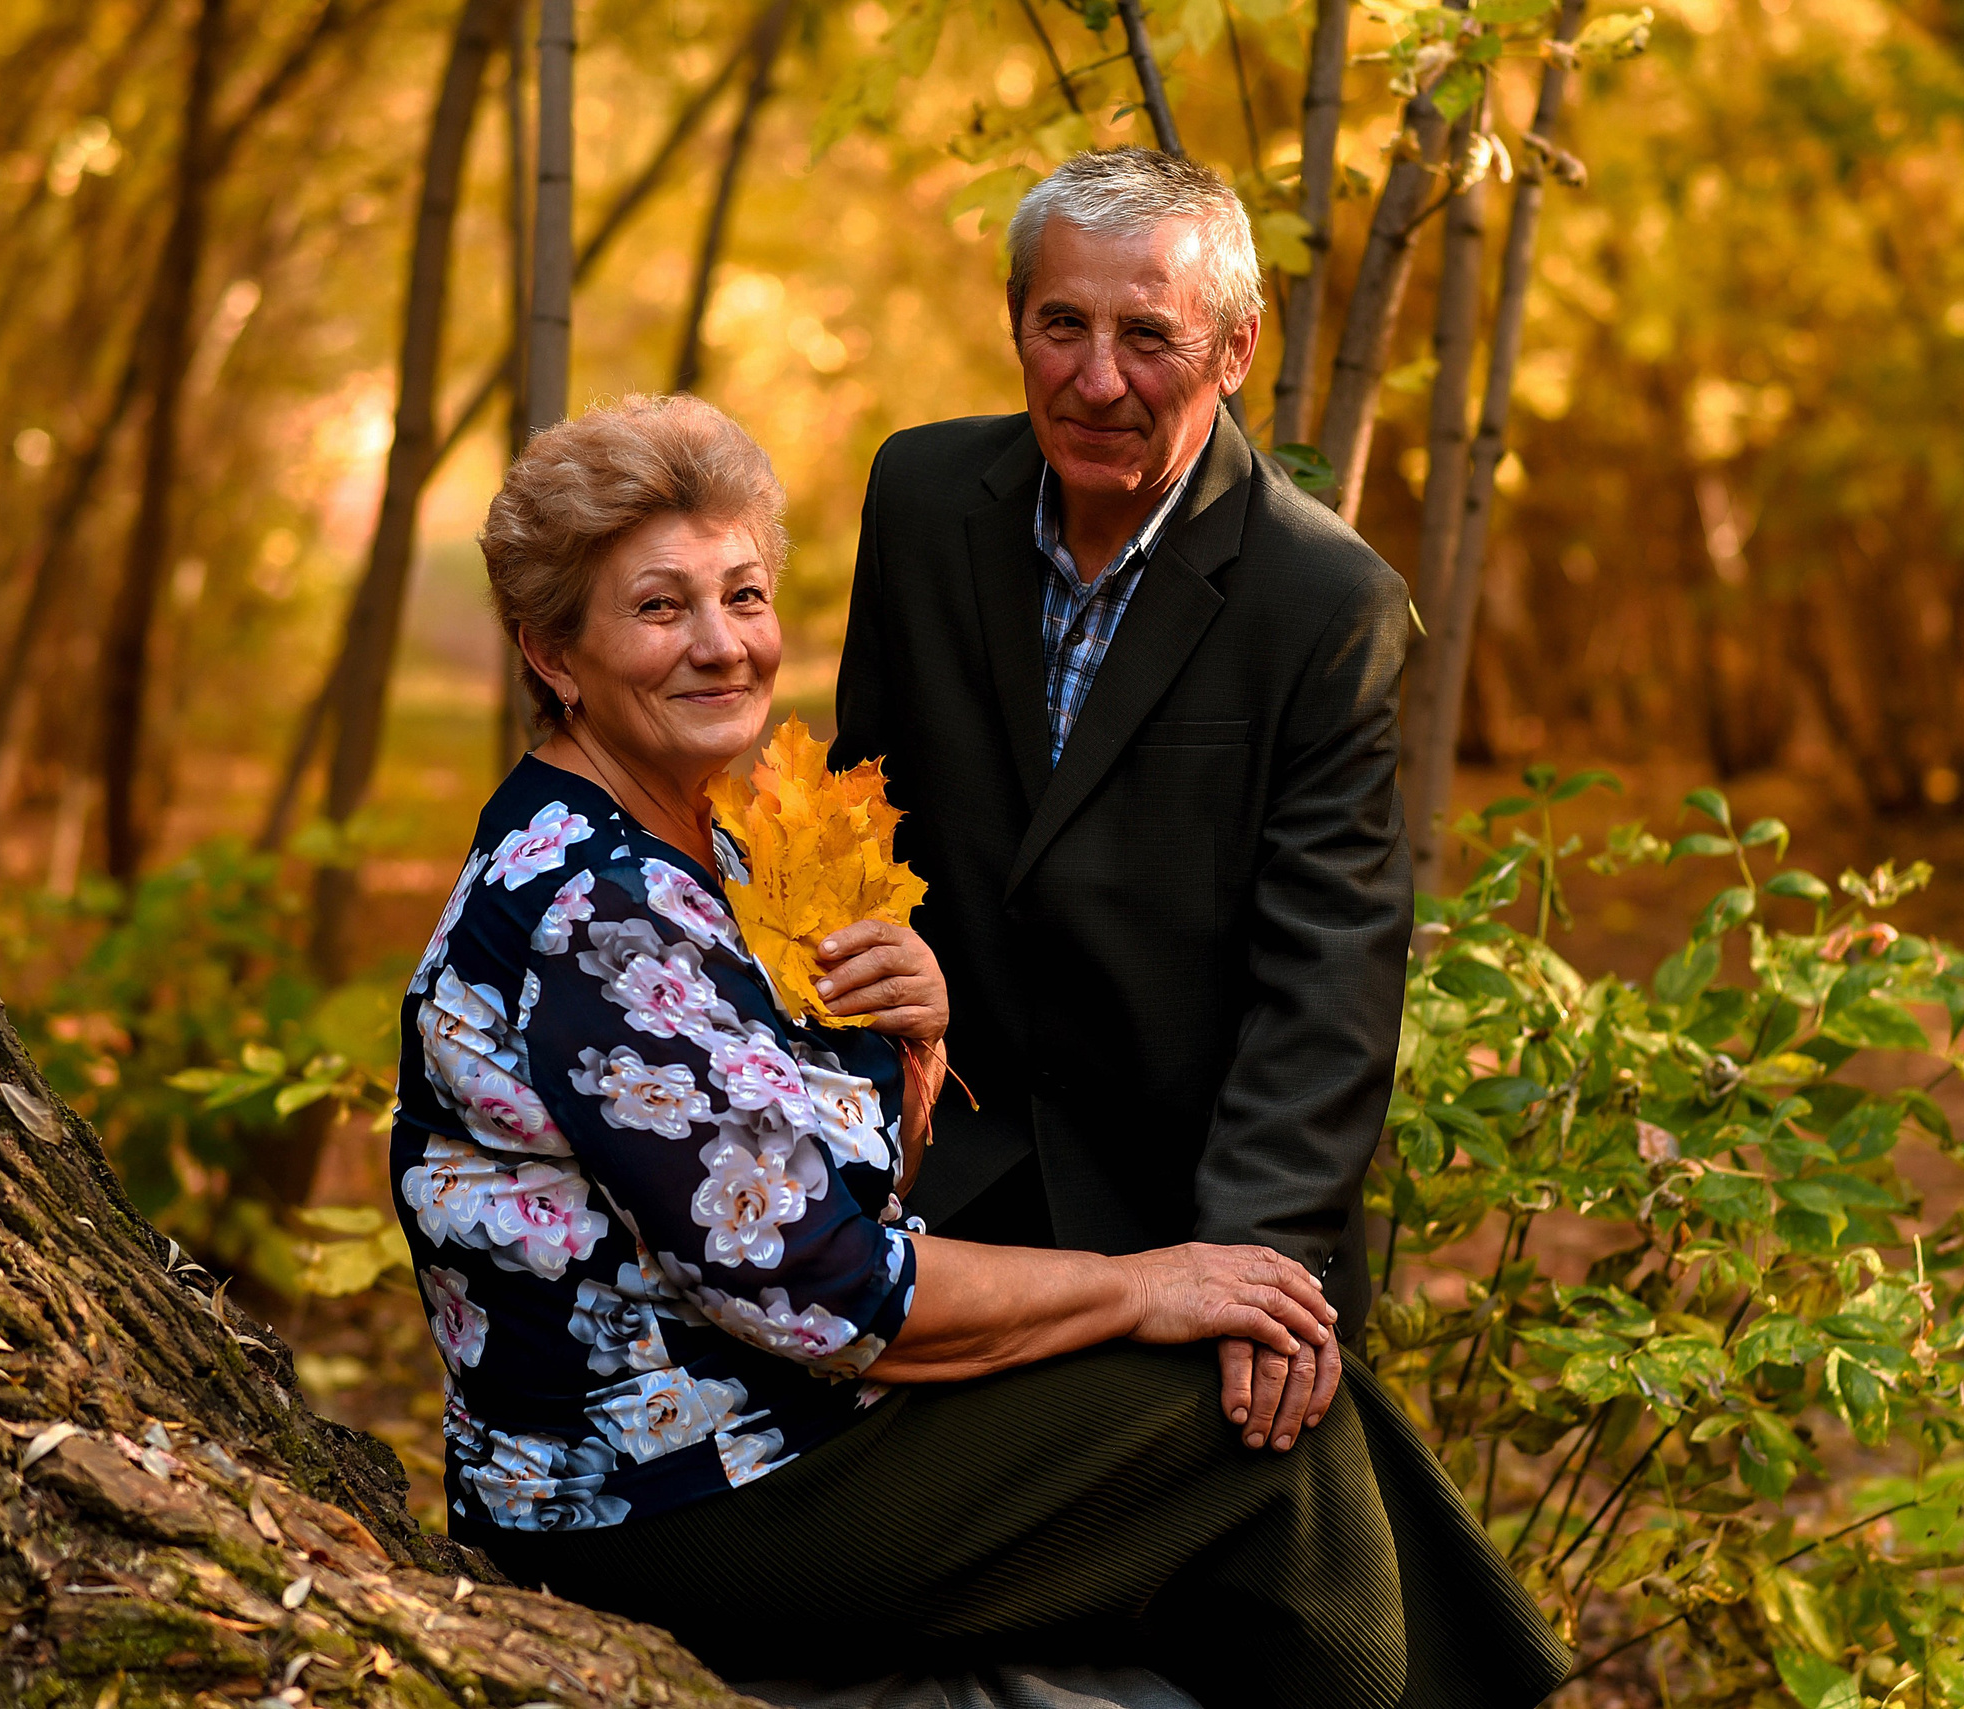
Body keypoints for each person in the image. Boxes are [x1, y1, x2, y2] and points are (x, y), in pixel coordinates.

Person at [393, 393, 1566, 1707]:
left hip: (759, 1421)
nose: (723, 646)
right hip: (653, 1496)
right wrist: (1144, 1284)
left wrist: (916, 1033)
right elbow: (824, 1286)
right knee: (1259, 1439)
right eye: (661, 608)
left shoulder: (707, 838)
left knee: (1281, 1380)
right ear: (554, 651)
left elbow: (799, 1178)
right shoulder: (598, 909)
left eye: (744, 594)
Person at [829, 147, 1417, 1463]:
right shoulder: (919, 502)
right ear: (1014, 323)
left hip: (1192, 1207)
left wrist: (1249, 1269)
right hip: (944, 1190)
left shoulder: (1326, 604)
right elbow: (862, 824)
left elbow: (1330, 980)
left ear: (1237, 347)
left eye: (1148, 334)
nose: (1097, 378)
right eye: (1063, 326)